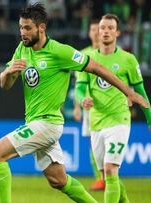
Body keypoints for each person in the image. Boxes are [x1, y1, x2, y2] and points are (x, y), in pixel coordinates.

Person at [0, 4, 149, 203]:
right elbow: (5, 85)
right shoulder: (22, 49)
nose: (23, 33)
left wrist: (128, 92)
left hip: (47, 124)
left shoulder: (60, 52)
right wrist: (8, 73)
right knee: (58, 180)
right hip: (35, 122)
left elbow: (96, 67)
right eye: (21, 27)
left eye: (28, 28)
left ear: (41, 28)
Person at [75, 14, 151, 203]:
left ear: (117, 32)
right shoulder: (88, 59)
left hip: (119, 120)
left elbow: (140, 91)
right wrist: (82, 98)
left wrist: (150, 118)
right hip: (96, 122)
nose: (106, 31)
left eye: (110, 28)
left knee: (110, 169)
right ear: (97, 32)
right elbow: (79, 87)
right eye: (103, 28)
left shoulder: (128, 59)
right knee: (107, 176)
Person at [73, 19, 105, 191]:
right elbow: (78, 84)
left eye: (97, 29)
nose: (95, 32)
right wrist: (77, 107)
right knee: (94, 144)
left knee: (108, 142)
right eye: (92, 29)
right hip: (88, 106)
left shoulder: (110, 53)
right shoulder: (82, 55)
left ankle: (109, 176)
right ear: (89, 33)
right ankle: (100, 178)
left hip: (108, 105)